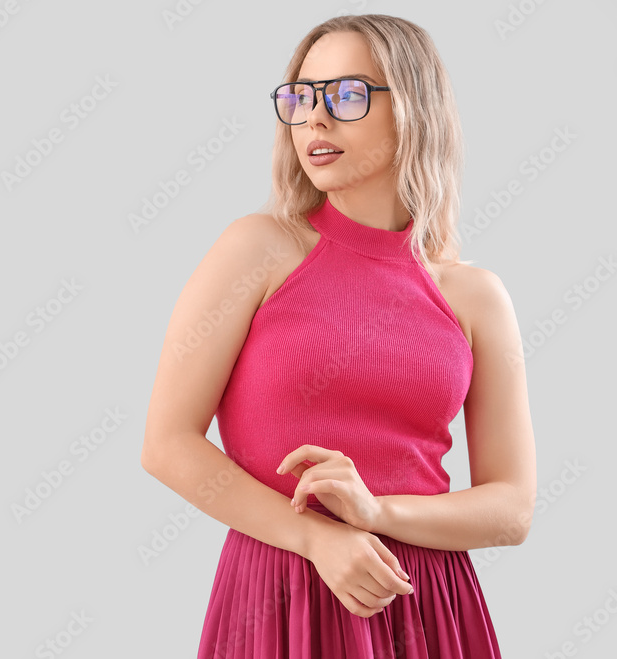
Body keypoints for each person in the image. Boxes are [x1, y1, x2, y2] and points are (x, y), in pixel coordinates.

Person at [139, 13, 537, 658]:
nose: (314, 120)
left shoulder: (476, 297)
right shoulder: (258, 250)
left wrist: (375, 514)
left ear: (413, 109)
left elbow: (512, 509)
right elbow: (166, 445)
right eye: (301, 98)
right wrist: (318, 539)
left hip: (423, 600)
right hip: (281, 589)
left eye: (347, 96)